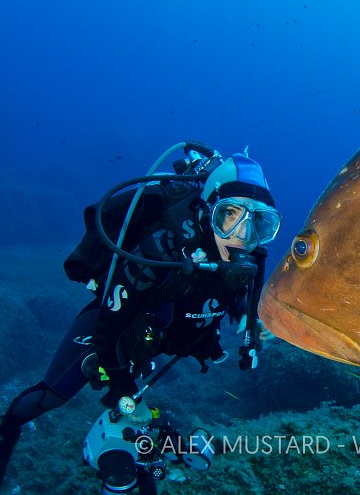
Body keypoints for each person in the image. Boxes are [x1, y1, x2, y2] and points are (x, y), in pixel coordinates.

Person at [0, 146, 281, 490]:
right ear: (208, 210)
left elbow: (236, 302)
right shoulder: (161, 251)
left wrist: (250, 321)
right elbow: (108, 327)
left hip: (153, 342)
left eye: (259, 222)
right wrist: (122, 391)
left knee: (143, 449)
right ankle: (8, 426)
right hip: (114, 335)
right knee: (50, 398)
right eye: (230, 214)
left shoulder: (245, 261)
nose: (241, 234)